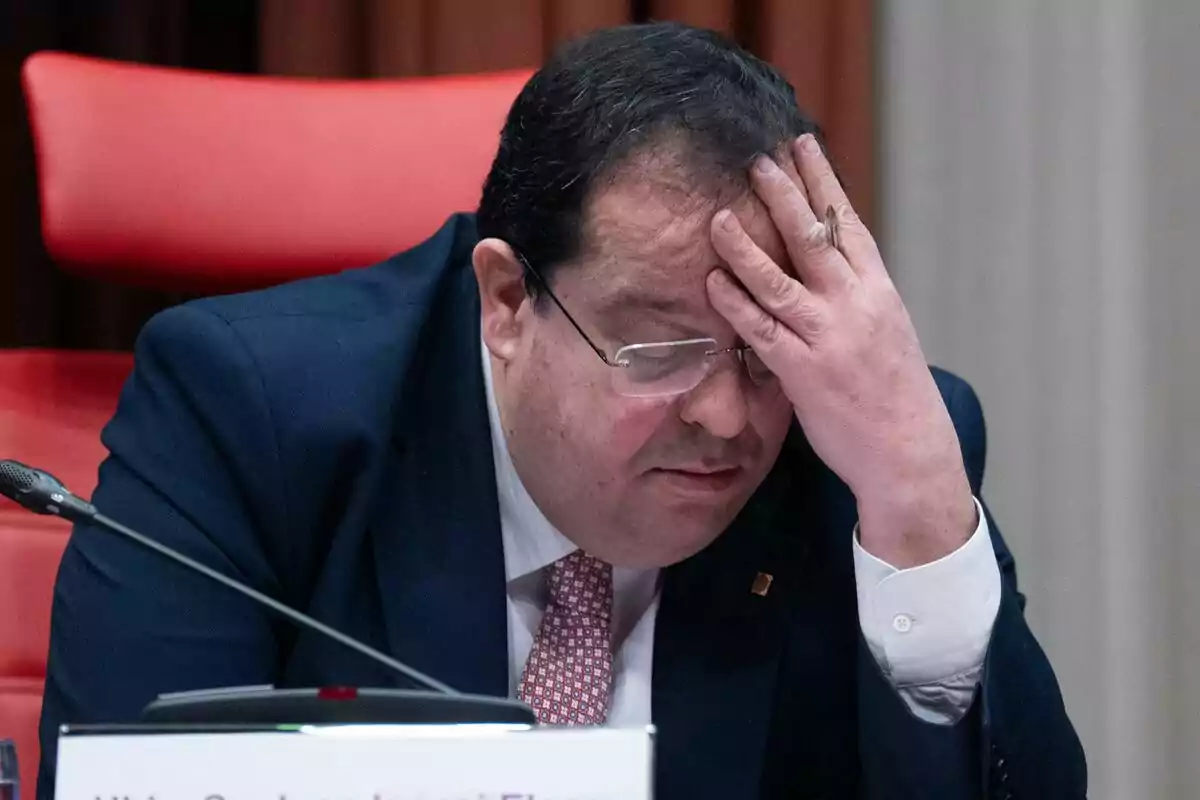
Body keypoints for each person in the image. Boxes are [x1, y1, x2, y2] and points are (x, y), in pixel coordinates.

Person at [37, 21, 1086, 800]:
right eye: (663, 347)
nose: (726, 416)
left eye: (763, 347)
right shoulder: (249, 409)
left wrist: (916, 496)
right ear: (505, 301)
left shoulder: (857, 447)